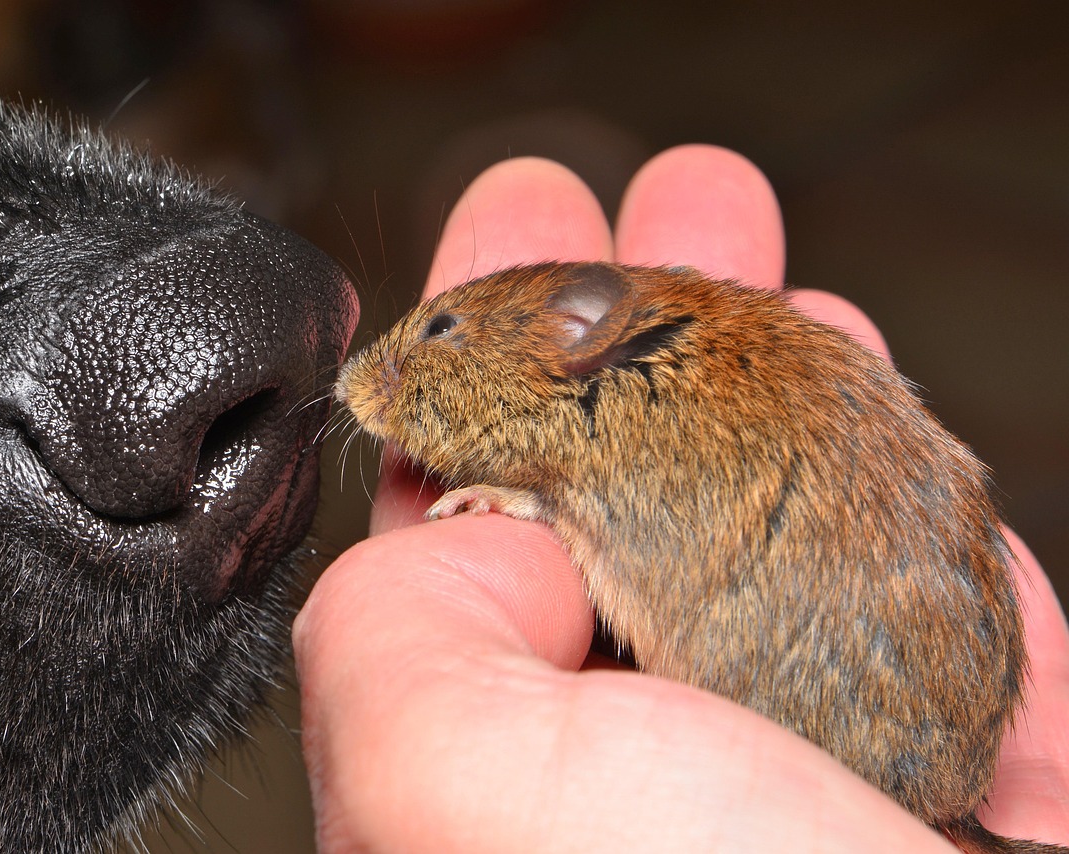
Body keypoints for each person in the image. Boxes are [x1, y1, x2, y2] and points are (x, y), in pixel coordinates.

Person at [292, 145, 1069, 851]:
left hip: (839, 702)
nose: (377, 377)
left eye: (441, 333)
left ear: (575, 333)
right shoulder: (631, 402)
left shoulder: (613, 417)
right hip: (909, 718)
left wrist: (535, 499)